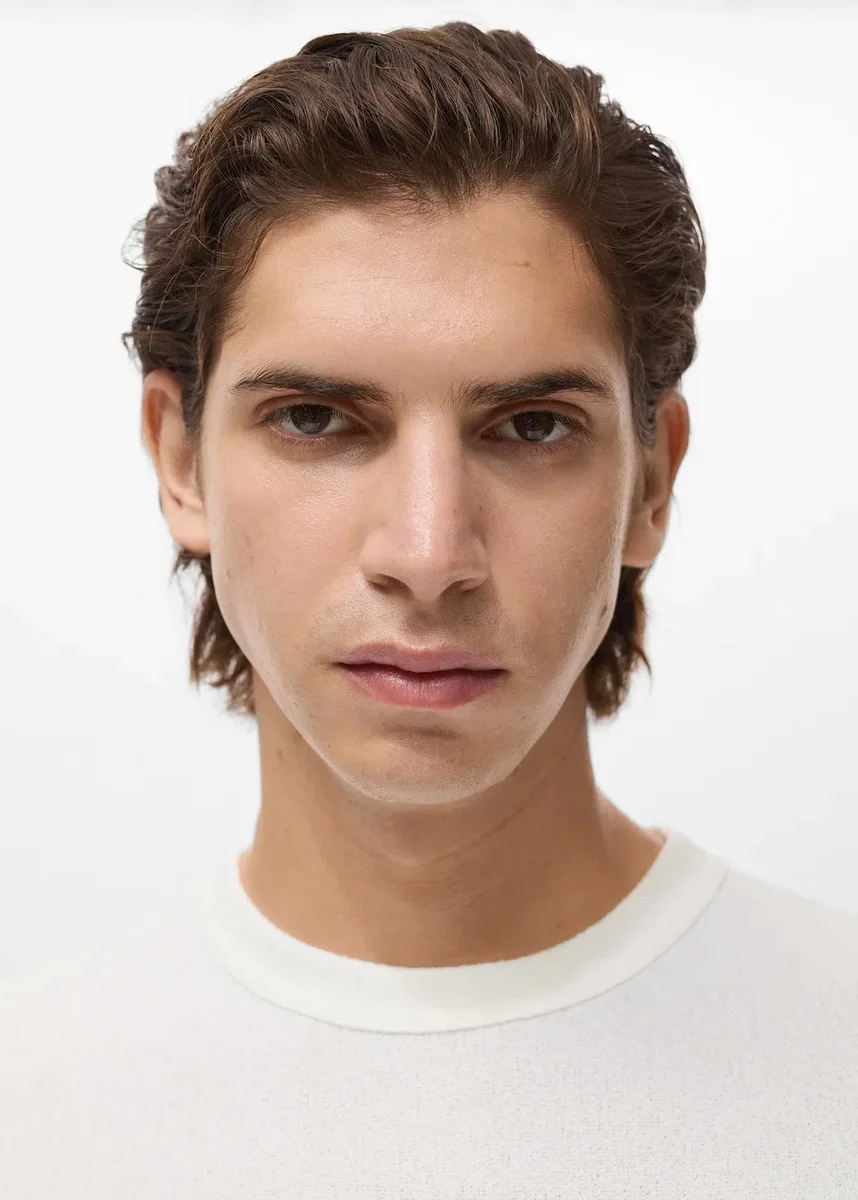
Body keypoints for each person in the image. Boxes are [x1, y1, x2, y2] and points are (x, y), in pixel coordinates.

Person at [2, 21, 855, 1198]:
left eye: (532, 427)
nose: (428, 553)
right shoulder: (34, 1109)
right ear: (180, 461)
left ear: (651, 481)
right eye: (315, 419)